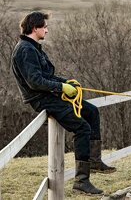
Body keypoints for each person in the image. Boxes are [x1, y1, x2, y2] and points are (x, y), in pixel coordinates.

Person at [11, 11, 116, 194]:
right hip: (42, 99)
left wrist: (66, 82)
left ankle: (94, 161)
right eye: (44, 27)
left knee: (91, 111)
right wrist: (61, 88)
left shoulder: (33, 47)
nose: (47, 30)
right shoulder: (25, 50)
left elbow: (47, 76)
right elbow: (35, 82)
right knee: (82, 128)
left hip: (51, 94)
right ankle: (81, 182)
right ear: (35, 28)